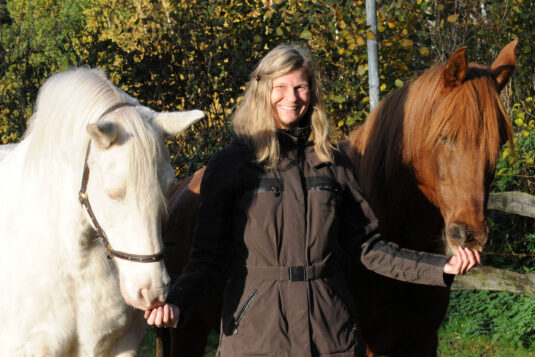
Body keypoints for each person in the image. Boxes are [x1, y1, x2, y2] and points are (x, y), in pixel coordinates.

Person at [145, 44, 480, 356]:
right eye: (281, 87)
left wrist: (441, 267)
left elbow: (369, 248)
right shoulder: (231, 164)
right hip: (257, 338)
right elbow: (207, 258)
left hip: (330, 335)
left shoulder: (332, 163)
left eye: (301, 87)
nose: (291, 97)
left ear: (312, 93)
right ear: (262, 89)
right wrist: (177, 302)